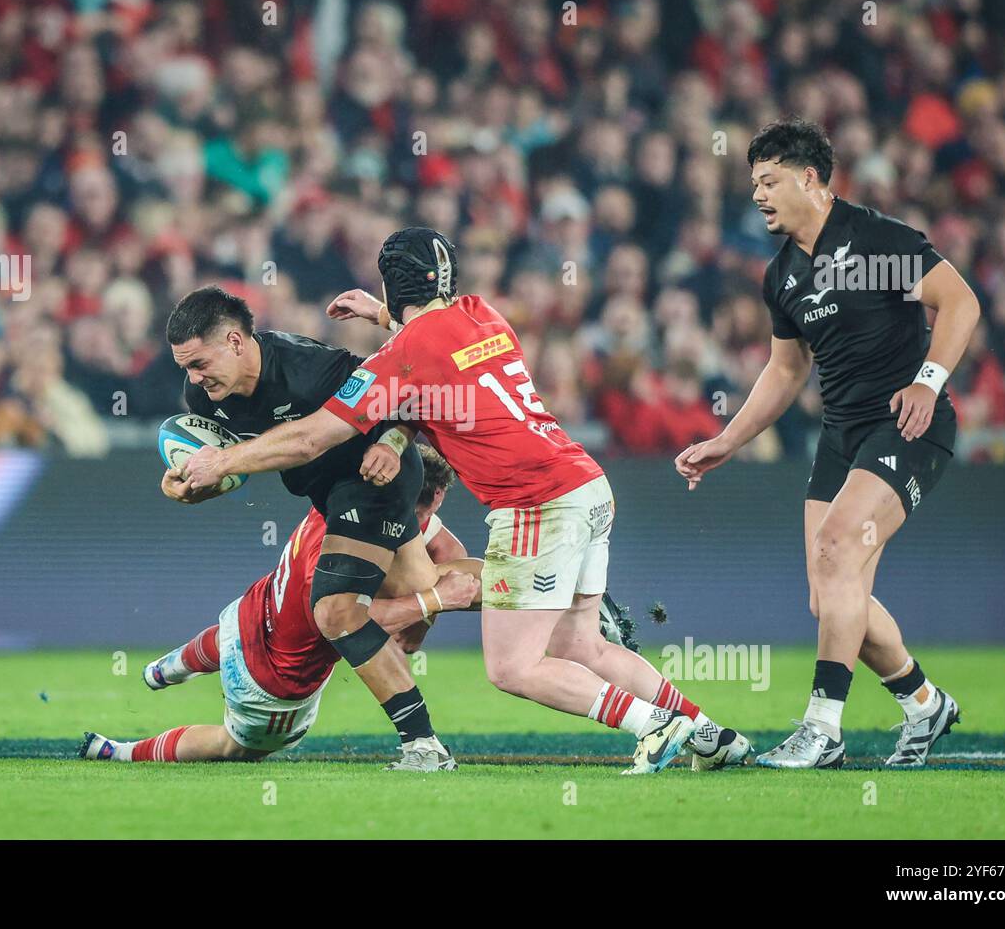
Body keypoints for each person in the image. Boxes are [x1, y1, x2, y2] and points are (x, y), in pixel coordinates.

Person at [181, 230, 749, 775]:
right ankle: (709, 734)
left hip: (536, 503)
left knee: (512, 667)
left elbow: (310, 438)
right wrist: (385, 324)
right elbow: (435, 348)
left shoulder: (400, 356)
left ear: (391, 288)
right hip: (588, 484)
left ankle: (656, 726)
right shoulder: (483, 314)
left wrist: (222, 461)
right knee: (582, 645)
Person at [675, 118, 980, 768]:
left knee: (840, 550)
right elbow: (787, 370)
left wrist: (928, 384)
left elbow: (960, 302)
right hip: (841, 435)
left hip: (907, 425)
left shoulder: (876, 241)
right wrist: (728, 439)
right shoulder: (782, 274)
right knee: (829, 594)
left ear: (809, 179)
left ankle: (822, 730)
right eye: (752, 182)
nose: (757, 194)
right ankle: (925, 703)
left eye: (769, 180)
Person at [158, 286, 457, 771]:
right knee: (424, 584)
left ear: (235, 341)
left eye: (198, 363)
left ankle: (423, 746)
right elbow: (229, 472)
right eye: (184, 367)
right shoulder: (204, 396)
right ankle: (552, 588)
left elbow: (402, 388)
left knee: (337, 610)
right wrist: (185, 488)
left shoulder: (309, 366)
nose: (192, 378)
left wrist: (396, 439)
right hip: (329, 495)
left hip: (373, 474)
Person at [81, 445, 481, 762]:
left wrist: (428, 608)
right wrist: (433, 600)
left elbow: (441, 547)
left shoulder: (351, 496)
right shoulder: (343, 556)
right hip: (273, 682)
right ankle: (118, 751)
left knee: (230, 635)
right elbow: (352, 619)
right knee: (232, 747)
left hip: (252, 609)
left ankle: (168, 668)